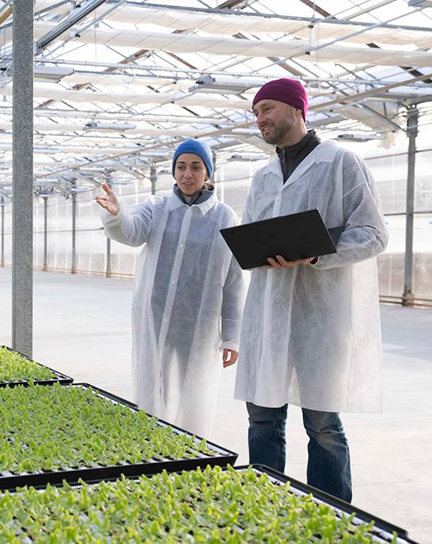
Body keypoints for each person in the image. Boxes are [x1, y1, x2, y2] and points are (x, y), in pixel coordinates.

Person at [234, 78, 388, 502]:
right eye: (256, 113)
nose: (260, 119)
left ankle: (331, 512)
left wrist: (316, 254)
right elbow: (249, 236)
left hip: (319, 316)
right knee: (262, 417)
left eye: (267, 108)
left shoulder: (340, 162)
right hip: (267, 314)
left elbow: (374, 234)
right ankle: (268, 504)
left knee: (322, 425)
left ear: (296, 109)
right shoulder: (263, 176)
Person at [96, 139, 246, 438]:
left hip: (199, 323)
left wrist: (232, 336)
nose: (187, 174)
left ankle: (188, 450)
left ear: (208, 173)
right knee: (153, 385)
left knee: (194, 390)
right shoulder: (157, 208)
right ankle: (151, 444)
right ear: (173, 172)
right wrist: (116, 215)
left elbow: (233, 279)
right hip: (154, 316)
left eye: (195, 167)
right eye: (181, 167)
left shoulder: (225, 218)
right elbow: (131, 231)